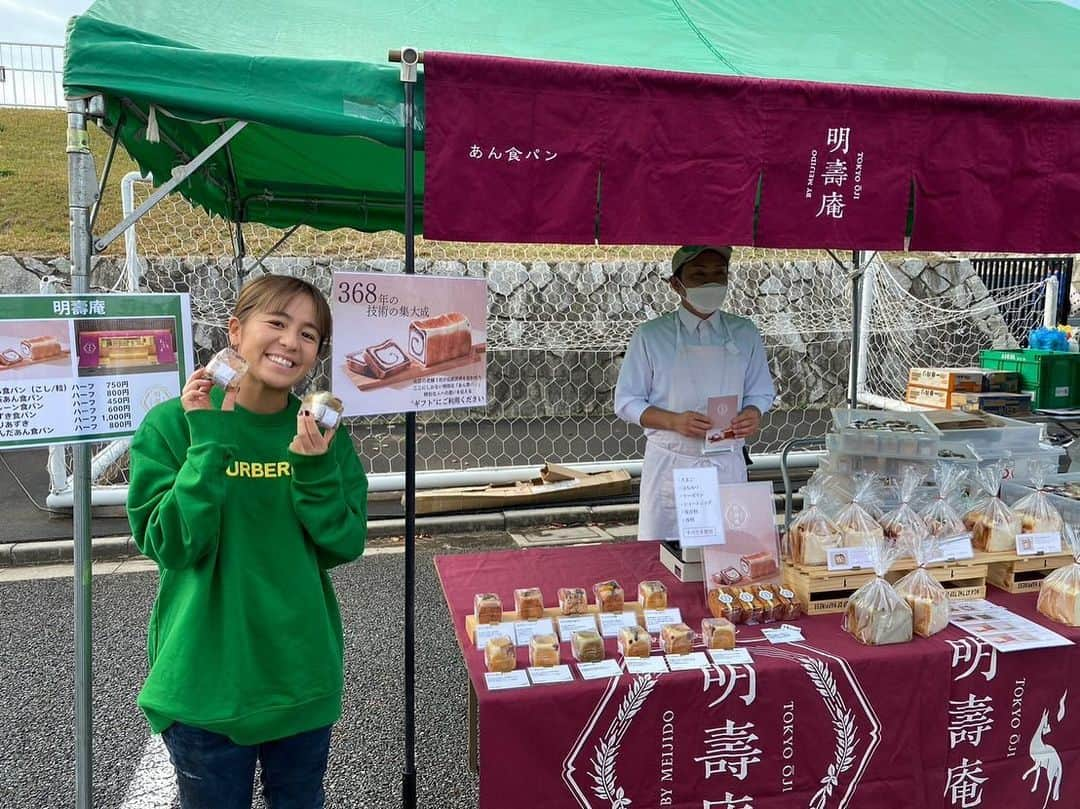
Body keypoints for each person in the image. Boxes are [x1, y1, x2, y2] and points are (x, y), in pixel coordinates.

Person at [127, 274, 368, 809]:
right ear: (236, 331)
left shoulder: (321, 432)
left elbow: (345, 542)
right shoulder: (172, 425)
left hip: (300, 674)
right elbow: (171, 544)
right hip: (207, 681)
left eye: (309, 335)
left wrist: (314, 471)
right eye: (277, 323)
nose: (290, 343)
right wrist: (209, 440)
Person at [615, 245, 776, 542]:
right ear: (676, 284)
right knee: (666, 559)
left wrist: (752, 414)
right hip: (674, 462)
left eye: (718, 275)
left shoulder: (744, 332)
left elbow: (761, 391)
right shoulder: (651, 335)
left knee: (731, 560)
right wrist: (674, 421)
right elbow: (627, 401)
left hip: (726, 462)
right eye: (699, 275)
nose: (710, 284)